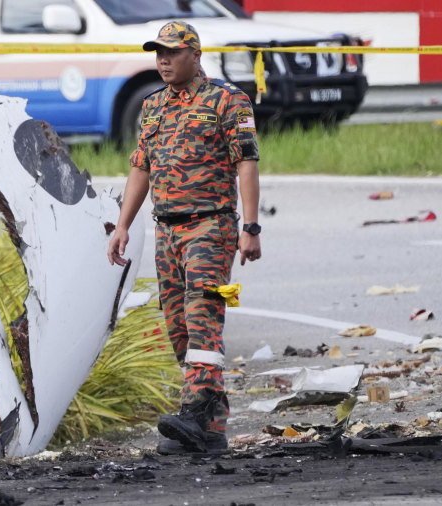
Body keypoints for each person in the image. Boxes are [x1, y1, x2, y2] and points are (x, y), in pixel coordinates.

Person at [107, 20, 261, 455]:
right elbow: (141, 166)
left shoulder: (228, 101)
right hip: (167, 228)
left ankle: (193, 410)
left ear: (195, 55)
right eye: (158, 52)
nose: (163, 60)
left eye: (172, 52)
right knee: (177, 325)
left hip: (211, 226)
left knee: (203, 316)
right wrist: (123, 224)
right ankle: (211, 428)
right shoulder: (153, 106)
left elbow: (246, 163)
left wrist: (250, 227)